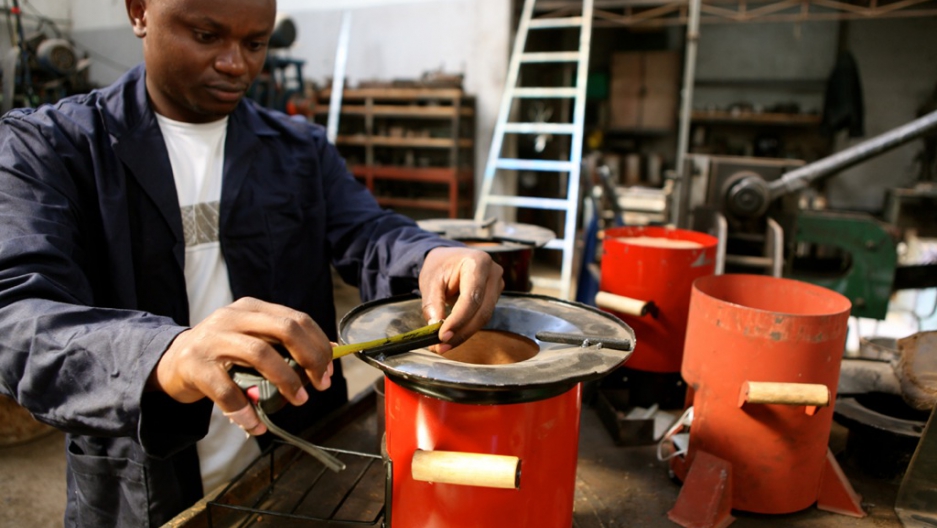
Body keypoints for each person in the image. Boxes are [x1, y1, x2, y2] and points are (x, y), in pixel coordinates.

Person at [0, 0, 504, 526]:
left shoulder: (299, 150)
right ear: (140, 12)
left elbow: (370, 231)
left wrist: (431, 255)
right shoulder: (51, 147)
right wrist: (163, 354)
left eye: (255, 43)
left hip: (295, 462)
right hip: (139, 487)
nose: (236, 63)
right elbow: (15, 317)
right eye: (206, 34)